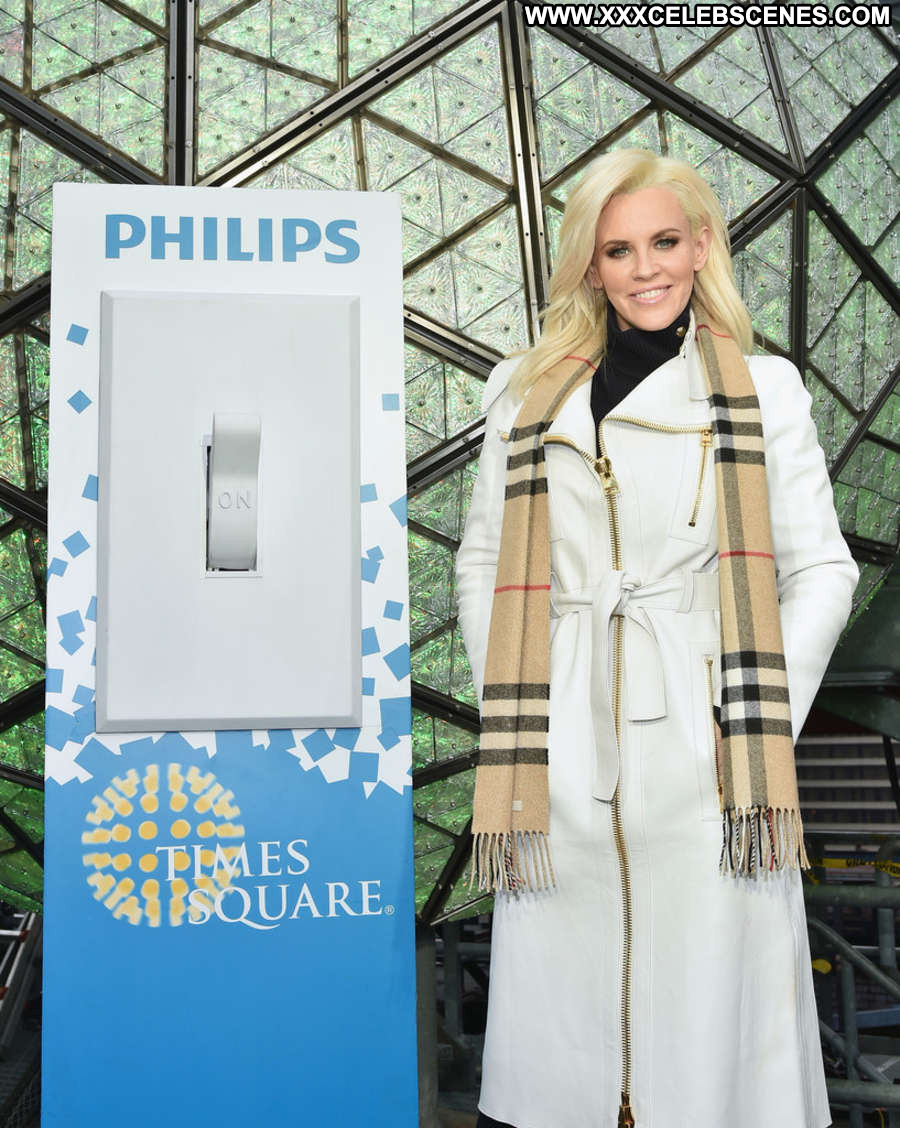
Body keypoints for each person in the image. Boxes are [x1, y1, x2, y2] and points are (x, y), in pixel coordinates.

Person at [454, 148, 859, 1128]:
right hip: (559, 742)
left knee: (709, 1029)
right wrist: (524, 707)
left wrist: (749, 720)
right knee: (566, 1037)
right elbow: (483, 563)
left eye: (665, 242)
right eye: (619, 250)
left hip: (709, 741)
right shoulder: (522, 391)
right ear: (590, 267)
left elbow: (821, 570)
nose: (646, 269)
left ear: (702, 245)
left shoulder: (763, 389)